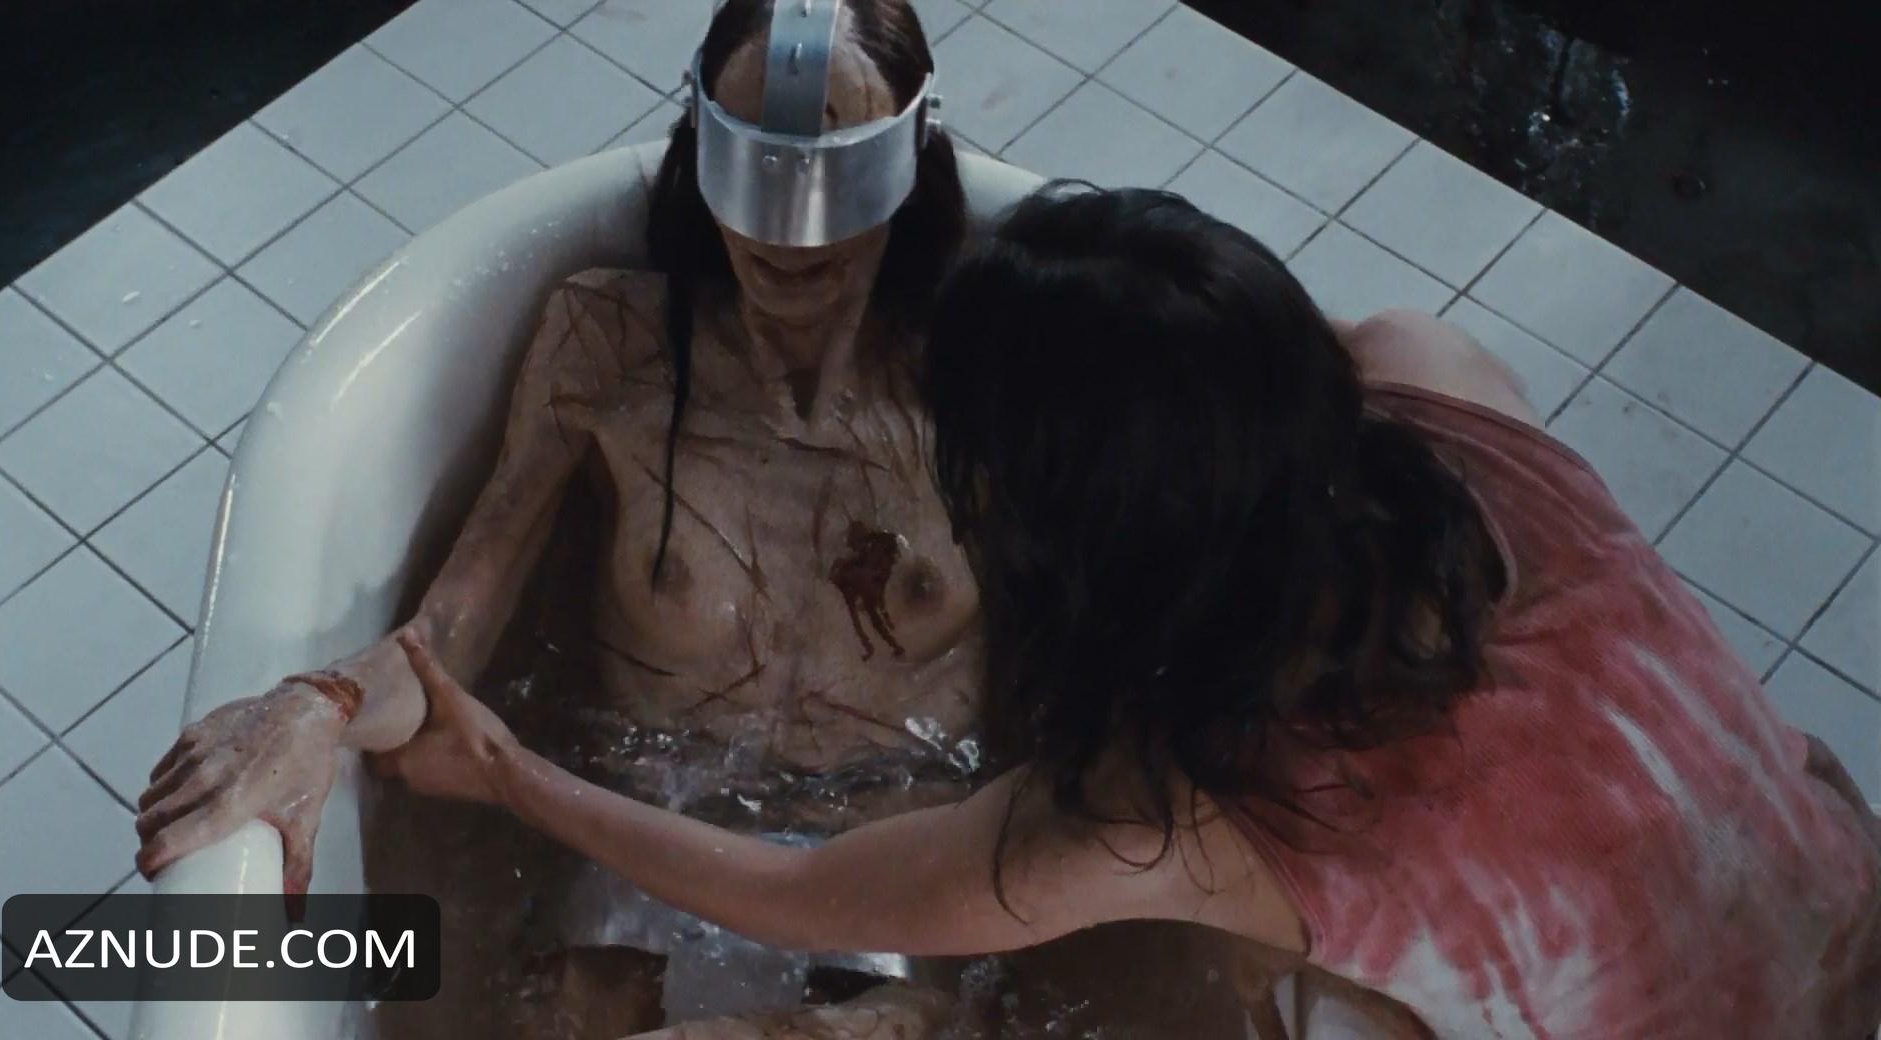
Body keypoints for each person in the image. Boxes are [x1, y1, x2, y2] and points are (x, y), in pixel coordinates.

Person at [379, 185, 1881, 1039]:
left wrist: (507, 772)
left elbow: (814, 891)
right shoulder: (1435, 383)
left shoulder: (1187, 814)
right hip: (1840, 913)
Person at [137, 3, 1317, 1036]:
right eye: (756, 171)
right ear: (699, 151)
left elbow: (1133, 600)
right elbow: (448, 636)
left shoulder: (977, 382)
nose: (789, 234)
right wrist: (320, 702)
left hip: (893, 866)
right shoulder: (606, 343)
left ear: (912, 166)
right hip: (632, 832)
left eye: (834, 180)